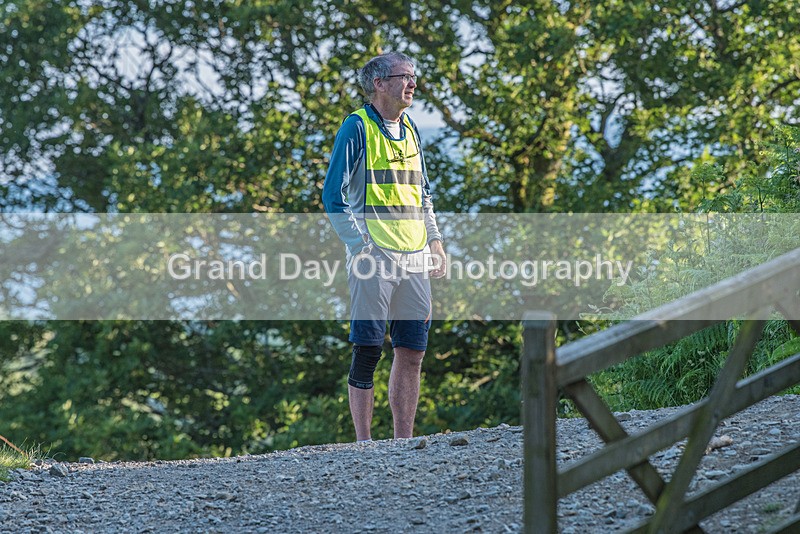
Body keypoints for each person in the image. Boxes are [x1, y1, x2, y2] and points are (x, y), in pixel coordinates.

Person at [322, 52, 446, 442]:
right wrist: (360, 247)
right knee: (369, 350)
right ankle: (364, 445)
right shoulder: (356, 128)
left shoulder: (411, 129)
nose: (412, 83)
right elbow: (332, 196)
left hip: (415, 259)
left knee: (412, 352)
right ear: (379, 83)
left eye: (414, 76)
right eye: (404, 76)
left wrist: (436, 243)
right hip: (372, 260)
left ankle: (402, 443)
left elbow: (423, 194)